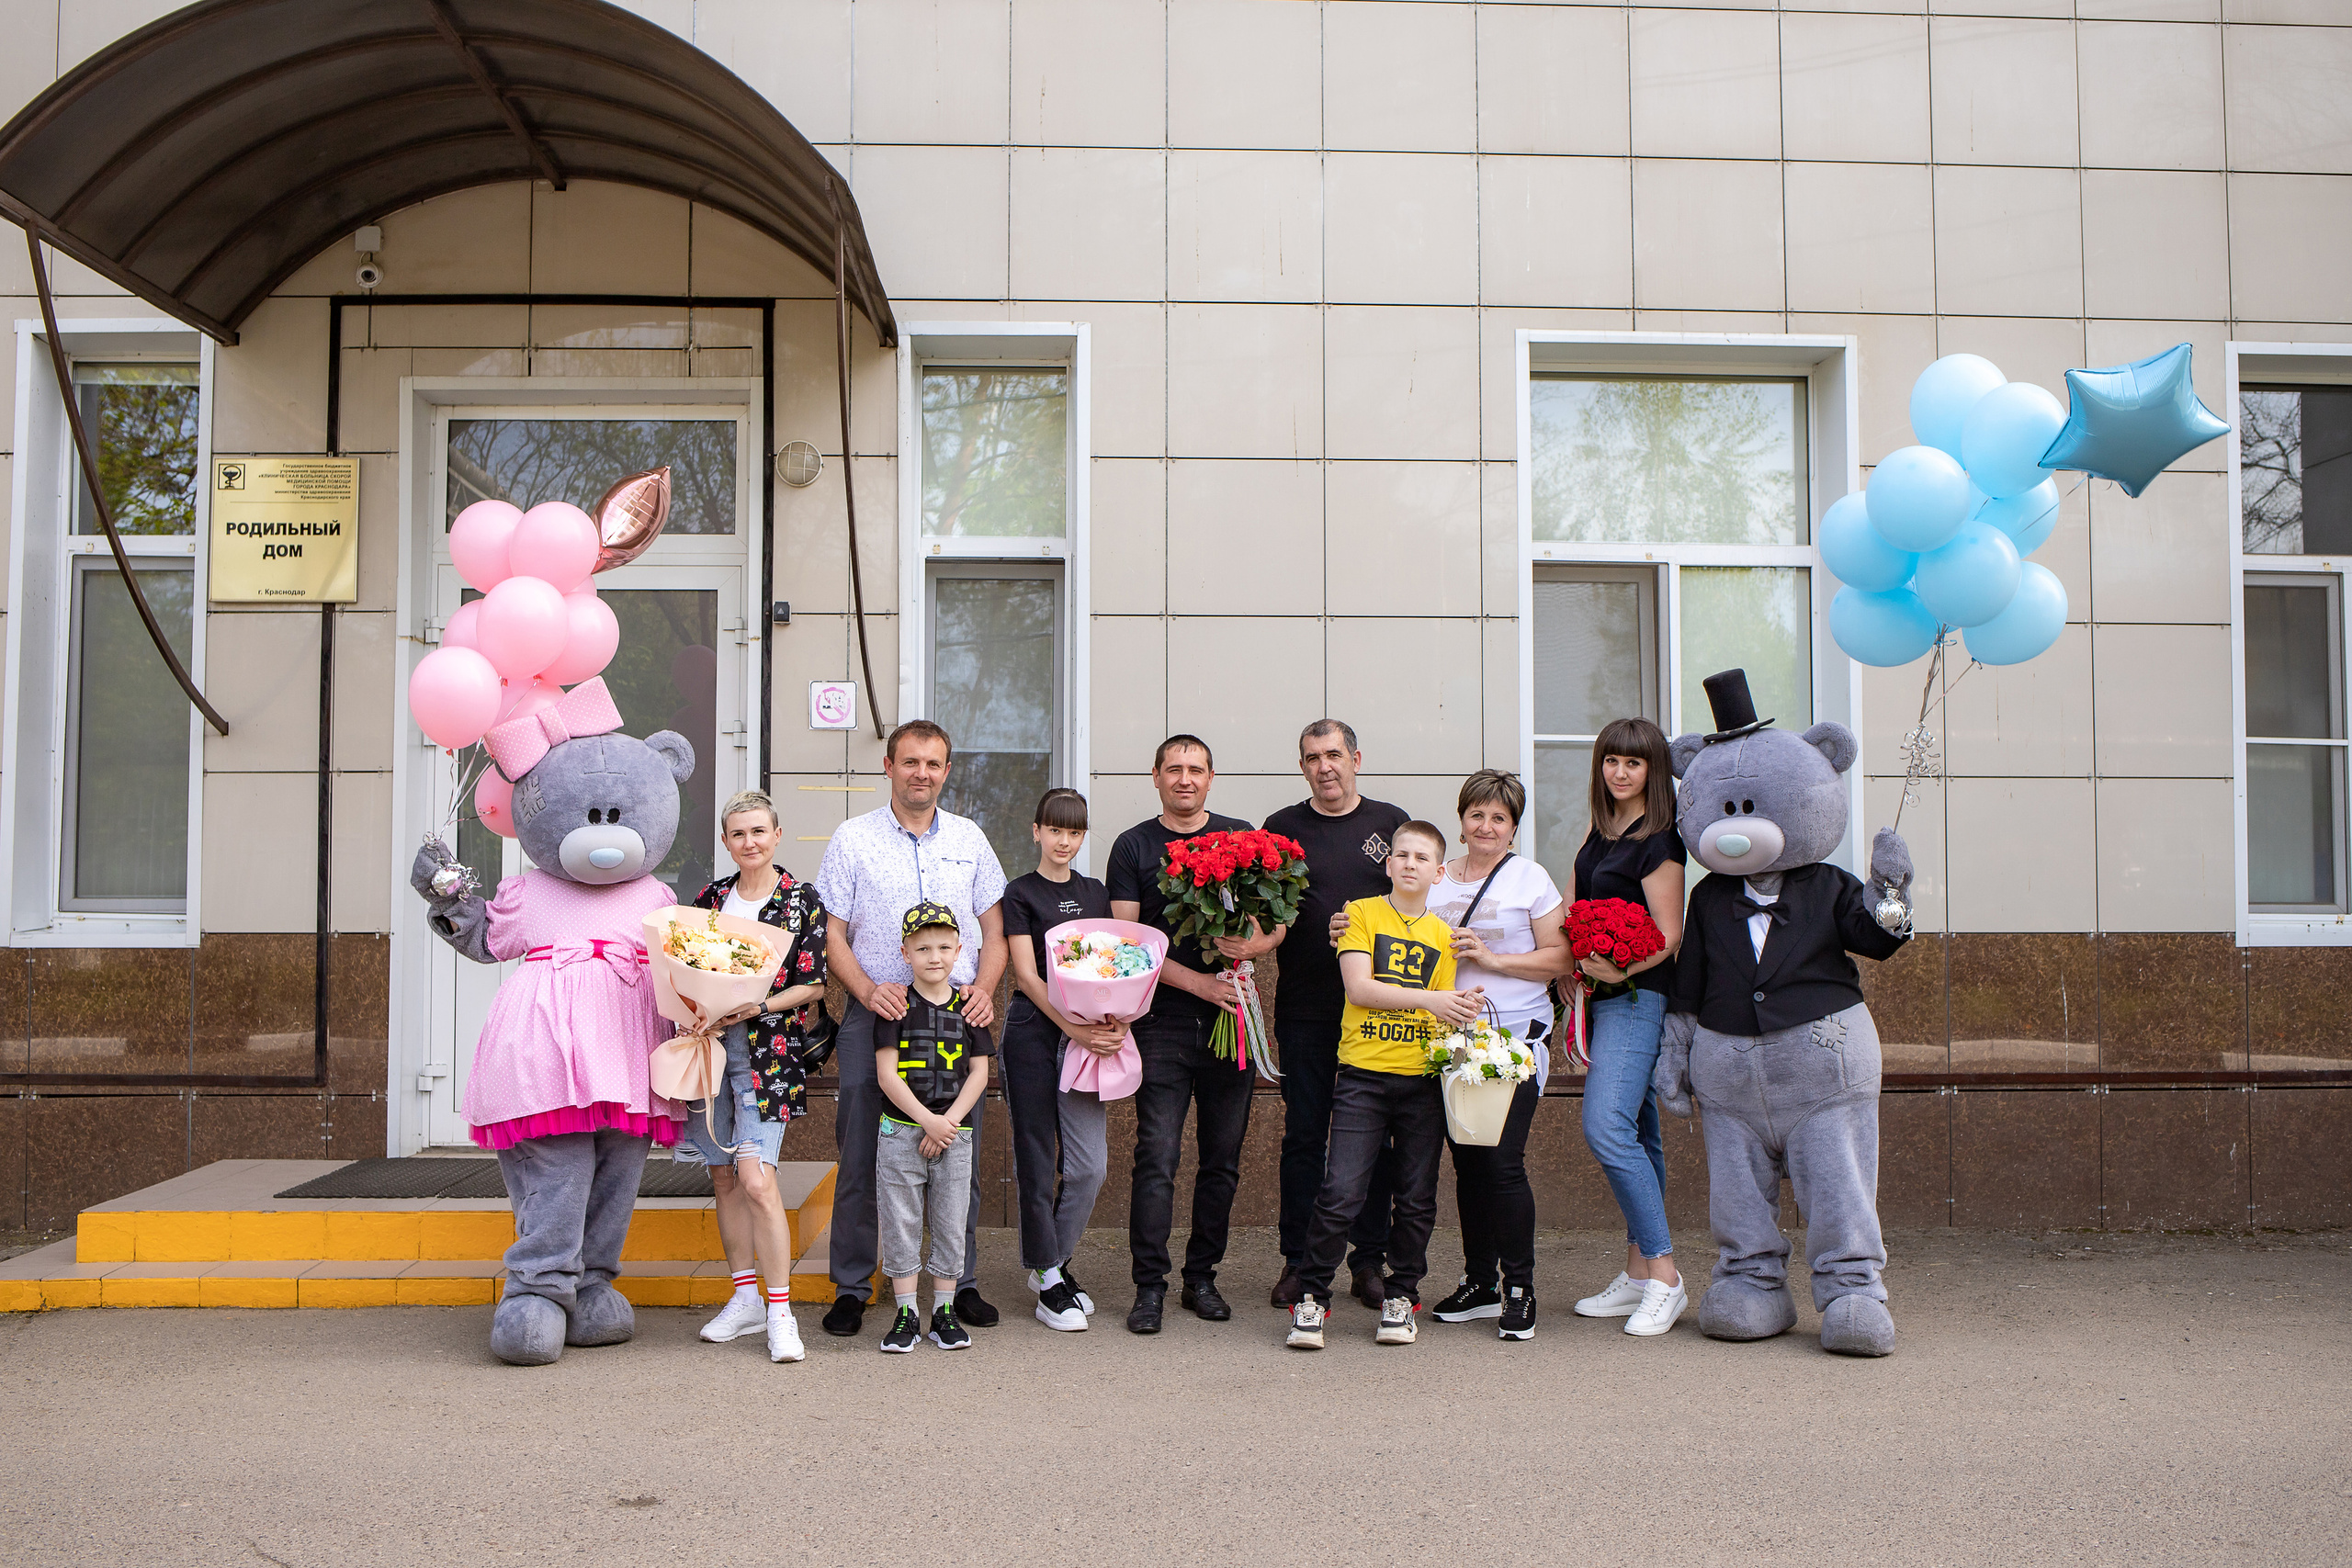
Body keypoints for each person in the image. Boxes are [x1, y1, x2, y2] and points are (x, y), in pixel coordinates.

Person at [817, 720, 1010, 1338]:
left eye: (933, 763)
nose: (921, 772)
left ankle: (962, 1283)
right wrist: (868, 990)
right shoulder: (853, 838)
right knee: (862, 1154)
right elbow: (833, 934)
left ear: (946, 770)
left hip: (957, 1019)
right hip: (878, 1015)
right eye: (910, 761)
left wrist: (982, 989)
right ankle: (853, 1284)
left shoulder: (971, 839)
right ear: (889, 764)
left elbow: (996, 931)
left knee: (960, 1152)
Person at [1285, 821, 1485, 1350]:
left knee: (1417, 1198)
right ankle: (1311, 1299)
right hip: (1364, 1076)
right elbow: (1359, 987)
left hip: (1422, 1081)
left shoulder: (1447, 936)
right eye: (1402, 855)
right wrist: (1432, 1001)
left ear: (1439, 871)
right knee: (1340, 1192)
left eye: (1423, 857)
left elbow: (1447, 1013)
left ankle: (1401, 1297)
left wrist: (1465, 1012)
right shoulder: (1361, 914)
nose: (1411, 864)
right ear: (1389, 863)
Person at [1105, 734, 1280, 1333]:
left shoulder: (1239, 836)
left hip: (1233, 1015)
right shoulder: (1133, 845)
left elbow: (1273, 922)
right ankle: (1148, 1286)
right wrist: (1200, 984)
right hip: (1163, 1022)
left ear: (1212, 776)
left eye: (1196, 769)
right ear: (1154, 775)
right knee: (1156, 1155)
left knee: (1222, 1159)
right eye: (1174, 768)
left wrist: (1253, 944)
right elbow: (1127, 941)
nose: (1185, 778)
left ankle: (1200, 1277)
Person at [1261, 720, 1410, 1312]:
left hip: (1380, 1013)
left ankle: (1368, 1262)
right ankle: (1298, 1262)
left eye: (1333, 755)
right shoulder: (1281, 828)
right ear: (1302, 767)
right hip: (1306, 1008)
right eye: (1311, 758)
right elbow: (1266, 909)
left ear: (1356, 758)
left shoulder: (1389, 822)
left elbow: (1415, 897)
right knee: (1304, 1136)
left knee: (1377, 1141)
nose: (1324, 767)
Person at [680, 791, 833, 1363]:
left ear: (777, 834)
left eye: (758, 832)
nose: (750, 842)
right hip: (711, 1051)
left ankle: (779, 1310)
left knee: (758, 1181)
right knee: (722, 1179)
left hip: (767, 1054)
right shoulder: (711, 899)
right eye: (738, 834)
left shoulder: (800, 900)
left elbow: (813, 984)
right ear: (726, 841)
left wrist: (759, 1007)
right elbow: (687, 966)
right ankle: (743, 1298)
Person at [1422, 770, 1572, 1342]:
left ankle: (1520, 1287)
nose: (1486, 827)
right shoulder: (1434, 878)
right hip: (1448, 1039)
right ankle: (1480, 1282)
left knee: (1503, 1162)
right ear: (1461, 820)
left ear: (1513, 828)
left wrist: (1493, 959)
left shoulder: (1529, 879)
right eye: (1477, 815)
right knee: (1466, 1161)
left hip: (1513, 1038)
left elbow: (1560, 958)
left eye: (1500, 818)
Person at [1566, 717, 1689, 1337]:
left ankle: (1665, 1274)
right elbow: (1574, 906)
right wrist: (1570, 962)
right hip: (1601, 992)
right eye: (1611, 760)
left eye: (1633, 763)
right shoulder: (1598, 830)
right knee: (1640, 1133)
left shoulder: (1660, 840)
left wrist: (1614, 967)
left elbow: (1668, 936)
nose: (1620, 772)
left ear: (1653, 771)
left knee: (1606, 1126)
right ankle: (1639, 1271)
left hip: (1639, 996)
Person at [999, 787, 1125, 1332]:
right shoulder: (1019, 892)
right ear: (1037, 831)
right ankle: (1049, 1276)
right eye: (1054, 830)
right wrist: (1075, 1028)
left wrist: (1115, 1019)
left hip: (1086, 1036)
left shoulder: (1096, 894)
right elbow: (1026, 975)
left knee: (1090, 1165)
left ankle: (1052, 1260)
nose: (1063, 841)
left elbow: (1111, 965)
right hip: (1033, 1031)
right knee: (1034, 1155)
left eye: (1073, 832)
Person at [874, 902, 996, 1352]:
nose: (934, 956)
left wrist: (949, 1123)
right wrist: (927, 1121)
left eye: (944, 946)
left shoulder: (970, 1008)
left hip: (955, 1133)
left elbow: (979, 1073)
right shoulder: (895, 1007)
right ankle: (906, 1313)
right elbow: (888, 1074)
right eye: (922, 947)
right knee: (901, 1220)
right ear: (905, 952)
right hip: (903, 1131)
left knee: (950, 1220)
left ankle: (944, 1311)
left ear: (960, 950)